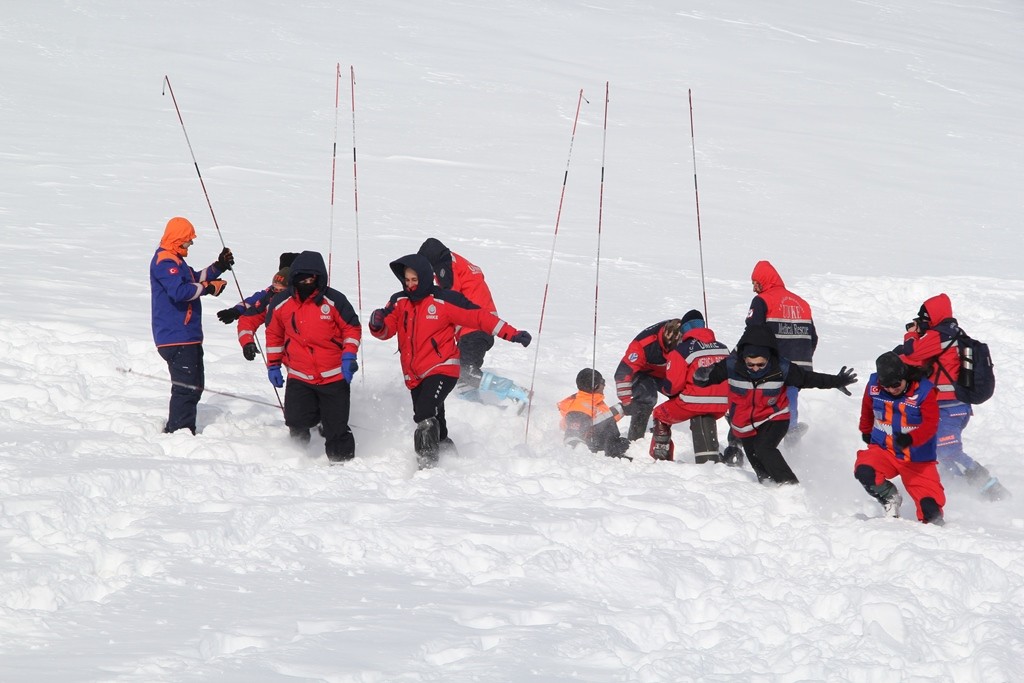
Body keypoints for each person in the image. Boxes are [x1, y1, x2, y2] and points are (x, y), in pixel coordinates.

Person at [368, 253, 532, 469]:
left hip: (443, 368)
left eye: (414, 280)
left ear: (425, 277)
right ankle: (447, 453)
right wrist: (377, 324)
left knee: (425, 413)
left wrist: (513, 334)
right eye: (406, 280)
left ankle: (427, 465)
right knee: (437, 419)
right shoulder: (399, 301)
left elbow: (480, 317)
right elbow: (385, 330)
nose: (410, 285)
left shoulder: (444, 300)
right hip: (415, 373)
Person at [693, 324, 858, 485]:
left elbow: (809, 379)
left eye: (760, 364)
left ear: (768, 358)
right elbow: (705, 379)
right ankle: (769, 487)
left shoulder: (782, 368)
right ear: (744, 359)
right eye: (750, 364)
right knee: (758, 464)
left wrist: (837, 381)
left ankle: (789, 485)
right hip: (745, 425)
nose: (755, 368)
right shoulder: (731, 365)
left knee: (764, 448)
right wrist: (701, 376)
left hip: (774, 417)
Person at [896, 293, 1008, 500]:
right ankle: (966, 490)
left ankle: (992, 490)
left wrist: (911, 335)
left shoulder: (941, 334)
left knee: (947, 449)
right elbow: (916, 361)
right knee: (939, 451)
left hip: (950, 406)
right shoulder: (949, 335)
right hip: (949, 406)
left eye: (924, 319)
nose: (923, 323)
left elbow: (912, 352)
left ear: (933, 316)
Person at [264, 250, 361, 463]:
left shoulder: (334, 300)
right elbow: (273, 334)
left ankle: (343, 464)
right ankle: (297, 457)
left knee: (336, 427)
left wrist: (348, 357)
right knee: (296, 420)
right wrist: (273, 365)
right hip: (299, 375)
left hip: (333, 375)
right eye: (302, 278)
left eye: (311, 279)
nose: (306, 283)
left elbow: (352, 328)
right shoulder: (281, 303)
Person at [417, 237, 529, 408]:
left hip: (475, 327)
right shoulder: (458, 263)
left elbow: (449, 302)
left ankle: (516, 391)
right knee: (459, 375)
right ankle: (475, 408)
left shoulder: (446, 267)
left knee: (466, 372)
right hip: (477, 326)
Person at [149, 216, 234, 434]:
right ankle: (179, 433)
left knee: (195, 386)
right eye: (188, 240)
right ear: (178, 239)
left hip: (188, 335)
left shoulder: (177, 261)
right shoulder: (165, 261)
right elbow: (179, 292)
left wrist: (219, 267)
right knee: (185, 388)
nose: (191, 244)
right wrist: (208, 287)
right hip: (175, 336)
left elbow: (194, 278)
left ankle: (183, 429)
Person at [855, 352, 945, 524]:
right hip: (885, 450)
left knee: (931, 511)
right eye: (886, 386)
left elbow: (931, 424)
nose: (891, 389)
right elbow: (867, 407)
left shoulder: (924, 391)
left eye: (895, 384)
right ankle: (890, 497)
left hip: (917, 458)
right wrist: (865, 430)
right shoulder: (874, 385)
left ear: (904, 375)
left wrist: (911, 438)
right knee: (864, 470)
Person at [746, 260, 818, 442]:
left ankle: (762, 444)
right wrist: (802, 358)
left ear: (764, 280)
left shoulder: (762, 300)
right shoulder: (802, 303)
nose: (754, 288)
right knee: (789, 400)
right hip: (799, 366)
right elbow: (813, 337)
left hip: (774, 365)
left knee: (763, 403)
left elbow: (753, 331)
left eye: (756, 283)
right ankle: (792, 442)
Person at [650, 310, 733, 463]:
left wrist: (662, 387)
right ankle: (713, 452)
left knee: (660, 414)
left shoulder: (681, 350)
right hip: (722, 403)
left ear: (685, 329)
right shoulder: (723, 348)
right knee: (702, 414)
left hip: (693, 402)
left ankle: (661, 455)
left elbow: (673, 386)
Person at [217, 253, 299, 361]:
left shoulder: (306, 298)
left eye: (281, 290)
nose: (277, 292)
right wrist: (236, 311)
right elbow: (254, 305)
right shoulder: (271, 296)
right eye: (276, 289)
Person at [614, 318, 683, 441]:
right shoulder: (643, 344)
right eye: (670, 347)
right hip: (642, 372)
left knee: (686, 397)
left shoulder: (687, 340)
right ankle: (636, 439)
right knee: (648, 397)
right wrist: (626, 401)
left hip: (667, 372)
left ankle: (665, 426)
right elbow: (622, 373)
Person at [557, 369, 630, 459]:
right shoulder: (579, 409)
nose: (604, 385)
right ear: (595, 386)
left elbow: (602, 419)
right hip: (602, 457)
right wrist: (587, 459)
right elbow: (572, 438)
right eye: (602, 382)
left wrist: (623, 408)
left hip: (611, 446)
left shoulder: (591, 401)